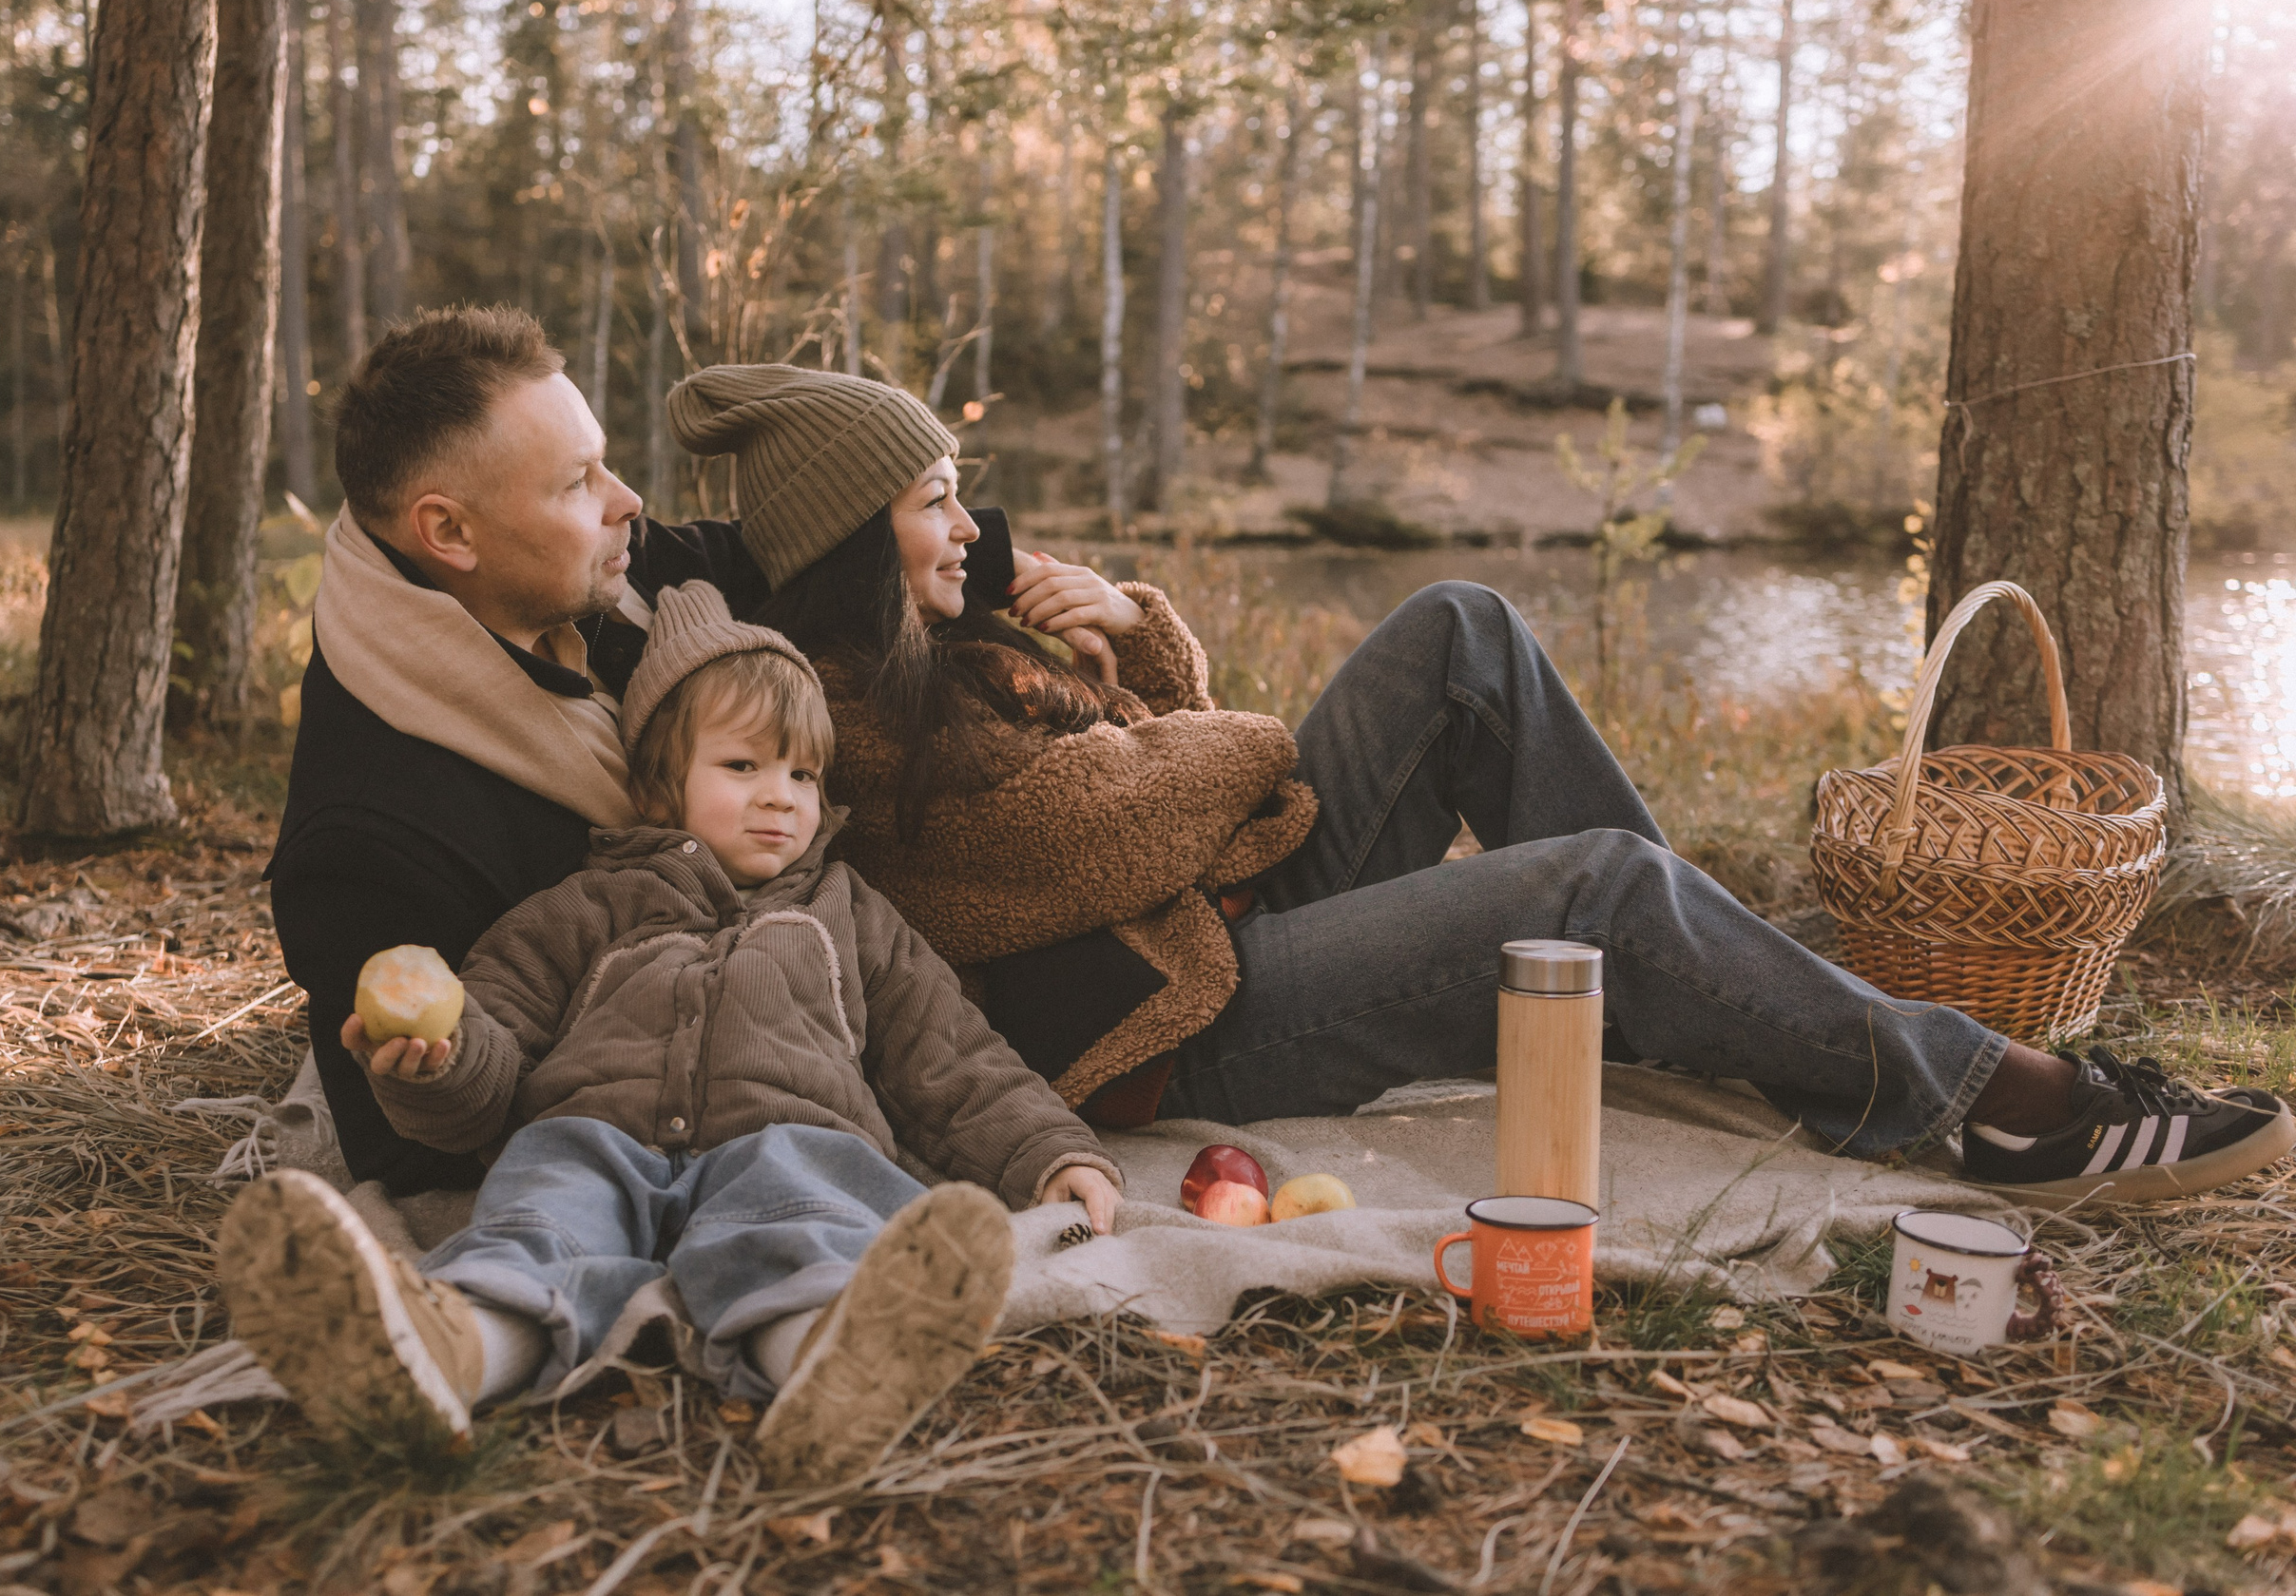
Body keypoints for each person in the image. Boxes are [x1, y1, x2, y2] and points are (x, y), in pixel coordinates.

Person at [655, 361, 2296, 1207]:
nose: (968, 529)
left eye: (962, 496)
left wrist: (1137, 652)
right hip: (1167, 1026)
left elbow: (1178, 779)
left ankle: (1709, 985)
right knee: (1586, 886)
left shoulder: (945, 652)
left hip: (1199, 916)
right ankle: (1995, 1107)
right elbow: (1186, 788)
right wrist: (1157, 704)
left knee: (1465, 627)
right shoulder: (840, 714)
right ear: (845, 533)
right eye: (935, 504)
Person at [222, 585, 1122, 1485]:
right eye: (742, 767)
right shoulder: (587, 905)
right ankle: (442, 1353)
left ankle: (834, 1361)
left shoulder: (852, 914)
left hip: (788, 1134)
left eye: (803, 775)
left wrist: (1047, 1150)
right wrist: (439, 1061)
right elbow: (494, 1027)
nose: (781, 798)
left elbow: (950, 1052)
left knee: (809, 1220)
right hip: (595, 1133)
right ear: (660, 786)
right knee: (538, 1222)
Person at [265, 307, 1035, 1199]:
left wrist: (1018, 567)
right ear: (449, 533)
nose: (626, 500)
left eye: (605, 461)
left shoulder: (581, 571)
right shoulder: (369, 840)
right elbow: (423, 1141)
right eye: (576, 483)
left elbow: (767, 551)